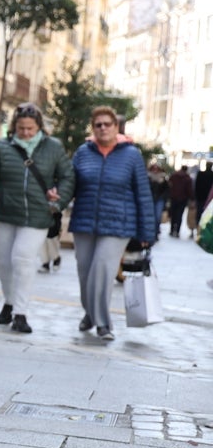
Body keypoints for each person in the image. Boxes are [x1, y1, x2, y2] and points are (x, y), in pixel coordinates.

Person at [0, 103, 74, 334]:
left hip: (38, 214)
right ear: (14, 127)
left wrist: (58, 200)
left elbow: (68, 177)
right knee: (3, 262)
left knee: (23, 258)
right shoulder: (2, 147)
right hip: (5, 212)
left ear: (39, 126)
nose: (26, 133)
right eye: (21, 128)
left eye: (30, 128)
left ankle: (20, 312)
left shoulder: (53, 147)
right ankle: (9, 301)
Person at [68, 107, 154, 342]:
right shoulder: (83, 153)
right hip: (84, 222)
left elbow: (143, 194)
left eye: (108, 124)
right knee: (85, 273)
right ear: (93, 128)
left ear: (116, 128)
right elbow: (70, 184)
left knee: (103, 272)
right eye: (98, 125)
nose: (103, 128)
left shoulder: (132, 155)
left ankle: (103, 323)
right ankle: (90, 313)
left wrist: (147, 232)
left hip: (118, 224)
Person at [167, 165, 194, 238]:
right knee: (179, 215)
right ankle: (177, 231)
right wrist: (192, 198)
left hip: (173, 198)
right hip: (183, 199)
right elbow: (189, 190)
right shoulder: (187, 178)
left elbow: (169, 186)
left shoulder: (174, 176)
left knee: (173, 214)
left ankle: (172, 230)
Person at [147, 163, 168, 237]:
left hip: (160, 199)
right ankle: (152, 232)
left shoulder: (163, 178)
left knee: (158, 216)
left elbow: (166, 190)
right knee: (151, 216)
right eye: (154, 168)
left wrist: (164, 199)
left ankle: (156, 231)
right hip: (150, 199)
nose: (155, 170)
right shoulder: (148, 178)